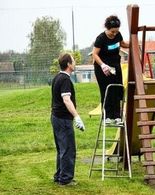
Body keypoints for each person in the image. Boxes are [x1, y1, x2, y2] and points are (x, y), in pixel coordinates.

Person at [51, 53, 85, 186]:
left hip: (56, 117)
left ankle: (59, 175)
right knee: (68, 149)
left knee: (61, 148)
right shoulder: (65, 79)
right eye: (73, 61)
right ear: (69, 65)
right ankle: (65, 179)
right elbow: (66, 100)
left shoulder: (56, 78)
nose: (75, 63)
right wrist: (77, 117)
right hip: (63, 119)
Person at [92, 15, 129, 124]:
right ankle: (107, 117)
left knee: (117, 89)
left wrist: (134, 44)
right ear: (107, 28)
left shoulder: (118, 35)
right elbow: (94, 54)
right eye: (112, 31)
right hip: (102, 68)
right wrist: (103, 65)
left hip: (115, 66)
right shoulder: (101, 38)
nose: (114, 34)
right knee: (106, 90)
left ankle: (117, 116)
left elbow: (123, 44)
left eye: (116, 31)